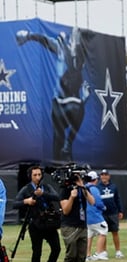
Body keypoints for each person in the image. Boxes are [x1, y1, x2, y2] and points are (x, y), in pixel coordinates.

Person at [16, 27, 89, 161]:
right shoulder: (63, 49)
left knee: (61, 137)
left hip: (69, 102)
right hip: (62, 102)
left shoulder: (76, 55)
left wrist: (29, 36)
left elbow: (46, 40)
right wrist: (29, 36)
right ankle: (63, 155)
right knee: (59, 137)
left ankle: (65, 152)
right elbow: (45, 40)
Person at [13, 166, 61, 262]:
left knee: (56, 249)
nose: (37, 177)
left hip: (49, 223)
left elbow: (57, 197)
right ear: (30, 176)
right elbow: (15, 204)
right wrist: (26, 201)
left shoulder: (46, 187)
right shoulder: (26, 189)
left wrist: (43, 194)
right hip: (36, 224)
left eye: (39, 174)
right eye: (35, 175)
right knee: (37, 252)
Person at [57, 169, 95, 262]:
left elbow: (92, 202)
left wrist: (82, 187)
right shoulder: (65, 189)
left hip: (82, 225)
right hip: (69, 226)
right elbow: (66, 210)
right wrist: (72, 198)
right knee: (71, 254)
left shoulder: (83, 188)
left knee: (81, 256)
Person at [97, 169, 124, 258]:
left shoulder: (113, 186)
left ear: (109, 176)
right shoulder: (97, 187)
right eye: (102, 175)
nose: (104, 176)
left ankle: (118, 251)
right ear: (100, 176)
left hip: (113, 213)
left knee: (115, 232)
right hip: (102, 214)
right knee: (103, 233)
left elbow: (118, 199)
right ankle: (104, 251)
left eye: (106, 175)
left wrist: (120, 211)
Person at [84, 171, 108, 261]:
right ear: (95, 179)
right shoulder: (93, 189)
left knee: (89, 234)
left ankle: (87, 254)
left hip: (87, 217)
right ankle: (99, 253)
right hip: (95, 215)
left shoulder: (84, 188)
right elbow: (98, 202)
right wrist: (103, 207)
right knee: (103, 230)